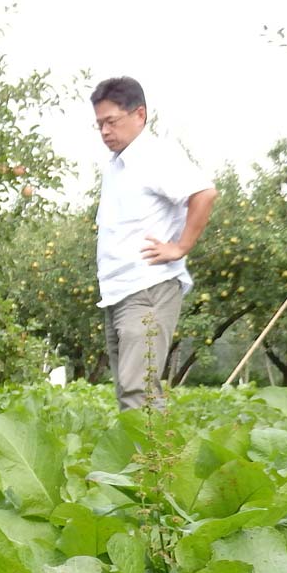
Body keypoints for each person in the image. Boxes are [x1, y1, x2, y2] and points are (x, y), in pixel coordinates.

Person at [90, 77, 217, 410]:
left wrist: (181, 247)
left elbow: (204, 193)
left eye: (111, 122)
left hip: (148, 288)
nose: (104, 131)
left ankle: (154, 463)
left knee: (138, 391)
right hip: (119, 292)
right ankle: (143, 460)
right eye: (99, 124)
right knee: (128, 390)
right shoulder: (117, 166)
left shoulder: (155, 155)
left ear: (140, 114)